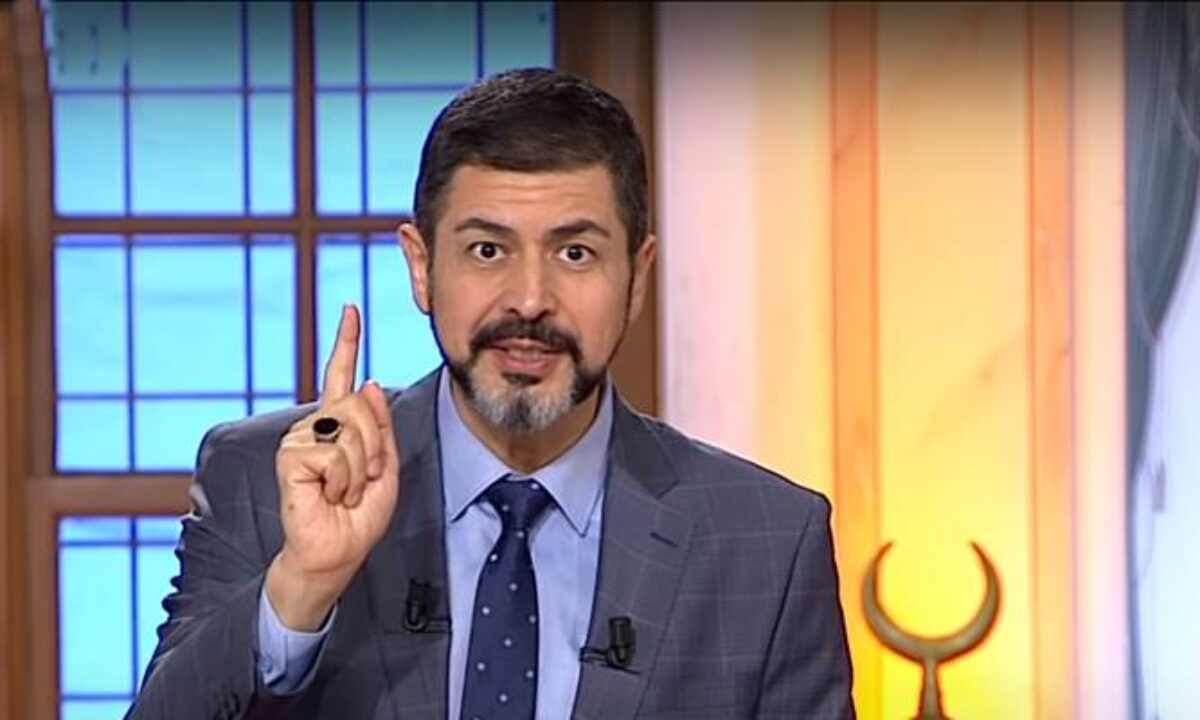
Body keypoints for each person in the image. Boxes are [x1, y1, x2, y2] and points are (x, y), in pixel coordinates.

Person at [127, 68, 853, 720]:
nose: (530, 299)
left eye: (575, 253)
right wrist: (302, 584)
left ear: (637, 277)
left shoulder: (766, 541)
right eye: (487, 250)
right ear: (421, 267)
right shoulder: (264, 481)